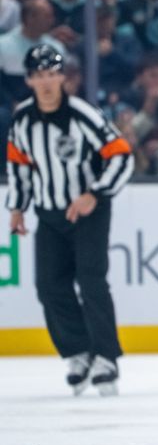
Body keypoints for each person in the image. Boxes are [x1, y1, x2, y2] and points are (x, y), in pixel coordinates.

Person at [5, 44, 134, 396]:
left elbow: (121, 155)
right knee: (49, 286)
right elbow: (19, 167)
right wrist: (17, 208)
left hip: (88, 210)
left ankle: (106, 357)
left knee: (91, 280)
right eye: (39, 75)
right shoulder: (23, 120)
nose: (46, 82)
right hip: (49, 213)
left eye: (52, 74)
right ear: (29, 80)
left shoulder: (82, 115)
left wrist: (96, 193)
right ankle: (78, 353)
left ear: (62, 76)